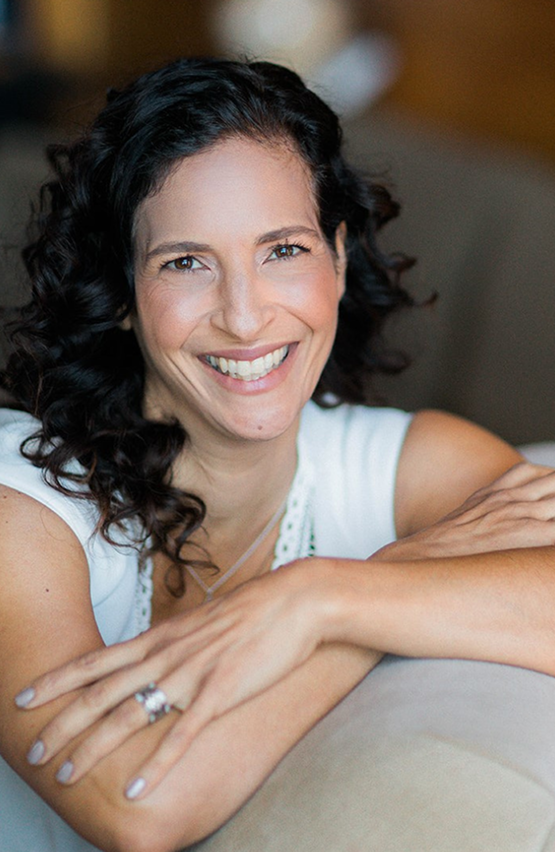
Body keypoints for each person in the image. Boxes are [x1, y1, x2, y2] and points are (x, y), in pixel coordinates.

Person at [1, 56, 555, 852]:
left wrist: (325, 600)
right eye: (186, 262)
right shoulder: (18, 510)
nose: (244, 315)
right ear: (123, 294)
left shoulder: (401, 459)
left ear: (335, 258)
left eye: (282, 250)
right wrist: (383, 590)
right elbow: (136, 807)